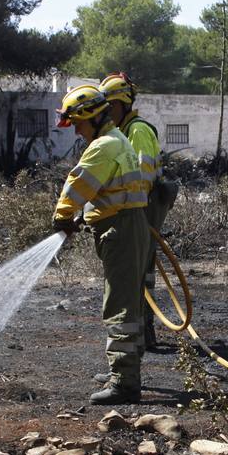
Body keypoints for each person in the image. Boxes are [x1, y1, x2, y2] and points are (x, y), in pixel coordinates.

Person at [51, 85, 152, 404]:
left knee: (119, 304)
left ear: (91, 118)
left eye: (78, 124)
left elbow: (78, 185)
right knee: (130, 300)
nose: (78, 132)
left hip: (119, 230)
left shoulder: (102, 147)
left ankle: (124, 382)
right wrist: (87, 215)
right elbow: (111, 191)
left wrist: (64, 217)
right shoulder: (118, 140)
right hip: (128, 225)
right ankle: (125, 371)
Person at [100, 72, 177, 352]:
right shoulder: (124, 131)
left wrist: (127, 210)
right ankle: (143, 333)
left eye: (109, 107)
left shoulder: (138, 130)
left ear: (123, 104)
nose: (106, 114)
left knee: (138, 272)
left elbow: (142, 175)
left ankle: (142, 334)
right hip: (138, 207)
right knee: (139, 272)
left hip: (143, 207)